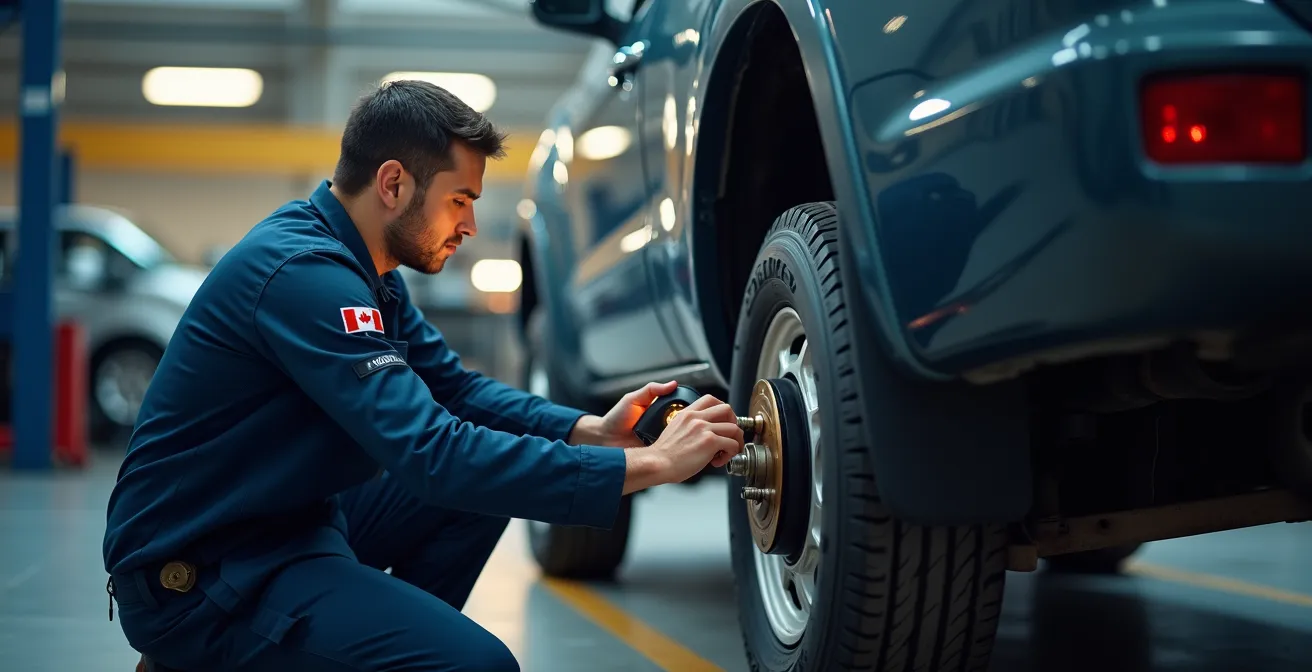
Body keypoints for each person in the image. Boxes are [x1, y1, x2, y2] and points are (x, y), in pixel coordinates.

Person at [102, 80, 745, 672]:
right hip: (202, 574)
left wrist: (590, 431)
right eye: (459, 199)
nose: (468, 224)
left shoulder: (367, 270)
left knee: (472, 501)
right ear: (392, 184)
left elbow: (457, 392)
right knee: (481, 667)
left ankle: (359, 645)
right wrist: (653, 466)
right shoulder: (306, 277)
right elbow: (433, 453)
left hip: (283, 518)